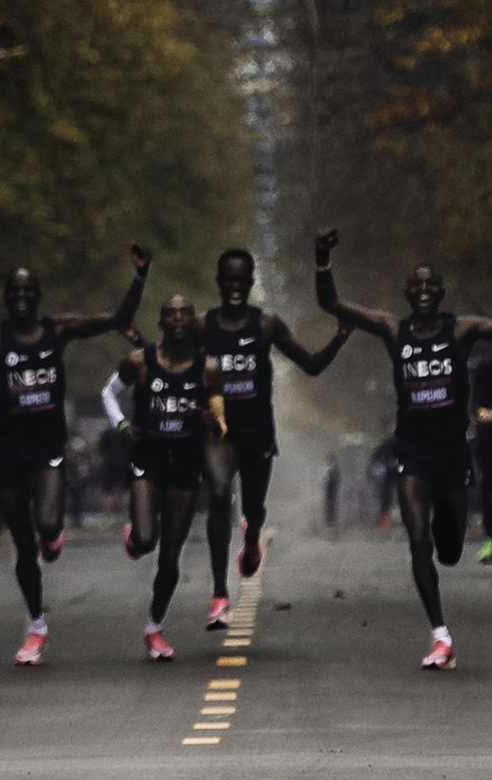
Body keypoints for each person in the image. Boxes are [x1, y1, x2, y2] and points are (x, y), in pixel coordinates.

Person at [0, 246, 151, 666]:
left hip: (46, 447)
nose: (21, 297)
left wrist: (139, 277)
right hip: (4, 449)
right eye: (14, 291)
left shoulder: (57, 330)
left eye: (28, 290)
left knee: (46, 523)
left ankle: (52, 534)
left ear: (38, 296)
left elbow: (114, 319)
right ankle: (36, 625)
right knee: (24, 546)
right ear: (7, 298)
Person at [315, 228, 492, 669]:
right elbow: (332, 305)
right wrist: (322, 259)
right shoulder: (395, 331)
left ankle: (441, 539)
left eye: (432, 285)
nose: (425, 291)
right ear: (407, 294)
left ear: (443, 291)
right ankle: (440, 637)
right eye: (417, 286)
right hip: (412, 452)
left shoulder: (463, 329)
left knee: (447, 550)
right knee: (417, 541)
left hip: (452, 454)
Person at [198, 248, 351, 630]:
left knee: (253, 509)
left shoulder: (266, 325)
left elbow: (311, 365)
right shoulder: (202, 327)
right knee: (218, 497)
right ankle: (219, 595)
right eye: (228, 279)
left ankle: (252, 539)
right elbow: (173, 364)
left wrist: (341, 336)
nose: (235, 286)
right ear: (219, 282)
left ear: (250, 283)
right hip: (219, 432)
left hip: (257, 432)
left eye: (242, 280)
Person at [101, 296, 226, 660]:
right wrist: (122, 424)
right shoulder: (140, 362)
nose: (177, 319)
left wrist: (212, 423)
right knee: (146, 538)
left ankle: (155, 627)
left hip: (186, 464)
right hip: (148, 459)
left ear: (194, 323)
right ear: (160, 322)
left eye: (185, 313)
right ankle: (136, 538)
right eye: (169, 313)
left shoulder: (209, 369)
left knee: (170, 554)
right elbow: (109, 393)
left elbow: (220, 423)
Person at [470, 351, 492, 562]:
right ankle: (490, 542)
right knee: (489, 491)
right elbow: (478, 410)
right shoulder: (486, 367)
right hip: (489, 443)